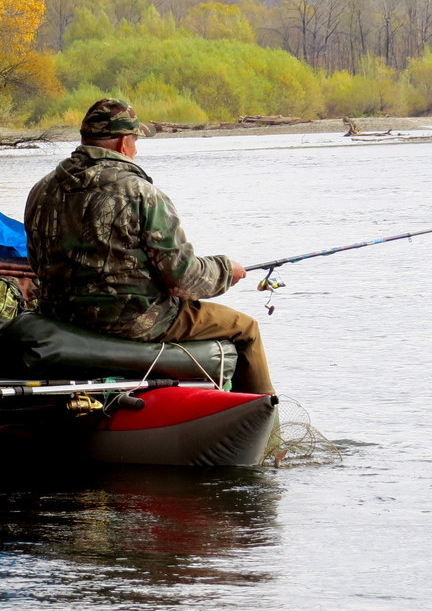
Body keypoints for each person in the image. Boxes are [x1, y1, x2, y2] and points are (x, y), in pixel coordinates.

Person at [23, 98, 274, 395]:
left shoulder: (42, 189)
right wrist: (224, 270)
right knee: (245, 329)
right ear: (123, 143)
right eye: (135, 141)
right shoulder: (141, 193)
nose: (137, 150)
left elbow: (37, 265)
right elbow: (182, 279)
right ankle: (264, 428)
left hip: (61, 317)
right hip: (135, 323)